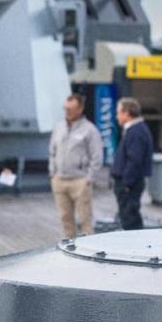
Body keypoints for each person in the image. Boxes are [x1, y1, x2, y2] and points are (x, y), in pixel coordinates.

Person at [49, 91, 104, 239]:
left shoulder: (90, 130)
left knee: (84, 220)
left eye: (71, 109)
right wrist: (52, 173)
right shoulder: (59, 127)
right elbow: (52, 151)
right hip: (60, 180)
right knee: (65, 219)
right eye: (65, 108)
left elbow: (97, 157)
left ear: (80, 109)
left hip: (80, 181)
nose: (67, 111)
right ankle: (70, 251)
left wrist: (88, 179)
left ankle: (88, 250)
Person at [111, 96, 154, 230]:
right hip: (128, 183)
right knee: (129, 217)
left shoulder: (136, 131)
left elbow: (135, 160)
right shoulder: (134, 129)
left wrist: (126, 184)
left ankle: (135, 248)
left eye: (118, 112)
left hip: (129, 184)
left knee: (130, 220)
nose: (116, 116)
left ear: (127, 113)